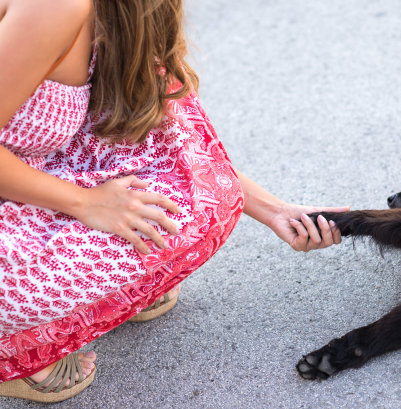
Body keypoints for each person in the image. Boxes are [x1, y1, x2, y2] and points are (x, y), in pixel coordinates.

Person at [0, 0, 348, 402]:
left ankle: (109, 288)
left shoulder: (121, 13)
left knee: (163, 114)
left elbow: (175, 145)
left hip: (26, 169)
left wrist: (273, 210)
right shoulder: (54, 6)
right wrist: (83, 202)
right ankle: (14, 351)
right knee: (165, 218)